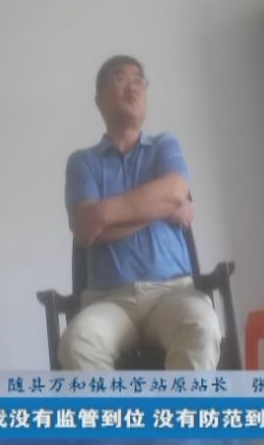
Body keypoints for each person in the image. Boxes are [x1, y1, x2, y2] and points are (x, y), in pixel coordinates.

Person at [59, 55, 221, 370]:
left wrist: (105, 214)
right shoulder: (82, 162)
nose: (132, 88)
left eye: (138, 80)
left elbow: (176, 189)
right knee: (77, 342)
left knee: (202, 325)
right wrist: (162, 208)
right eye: (120, 79)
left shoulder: (164, 145)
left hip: (172, 292)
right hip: (108, 300)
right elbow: (85, 227)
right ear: (99, 99)